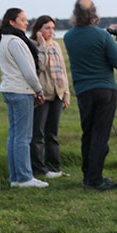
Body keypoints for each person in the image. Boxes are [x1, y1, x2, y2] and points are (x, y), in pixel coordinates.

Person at [63, 0, 117, 191]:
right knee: (100, 136)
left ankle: (88, 176)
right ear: (94, 13)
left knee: (88, 134)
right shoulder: (102, 36)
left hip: (83, 91)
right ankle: (95, 180)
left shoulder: (68, 37)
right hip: (104, 90)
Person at [0, 8, 49, 188]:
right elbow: (28, 70)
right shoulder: (16, 41)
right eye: (22, 20)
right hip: (20, 91)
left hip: (10, 90)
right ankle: (25, 177)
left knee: (14, 136)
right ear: (11, 22)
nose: (26, 23)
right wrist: (39, 90)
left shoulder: (5, 39)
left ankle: (16, 178)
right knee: (23, 137)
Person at [30, 15, 71, 179]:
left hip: (58, 93)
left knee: (52, 134)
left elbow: (62, 70)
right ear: (38, 29)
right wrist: (42, 46)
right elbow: (39, 67)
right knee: (38, 133)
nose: (51, 31)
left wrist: (66, 93)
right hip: (43, 94)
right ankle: (38, 168)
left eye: (53, 28)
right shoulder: (33, 45)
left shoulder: (56, 45)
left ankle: (54, 167)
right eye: (47, 28)